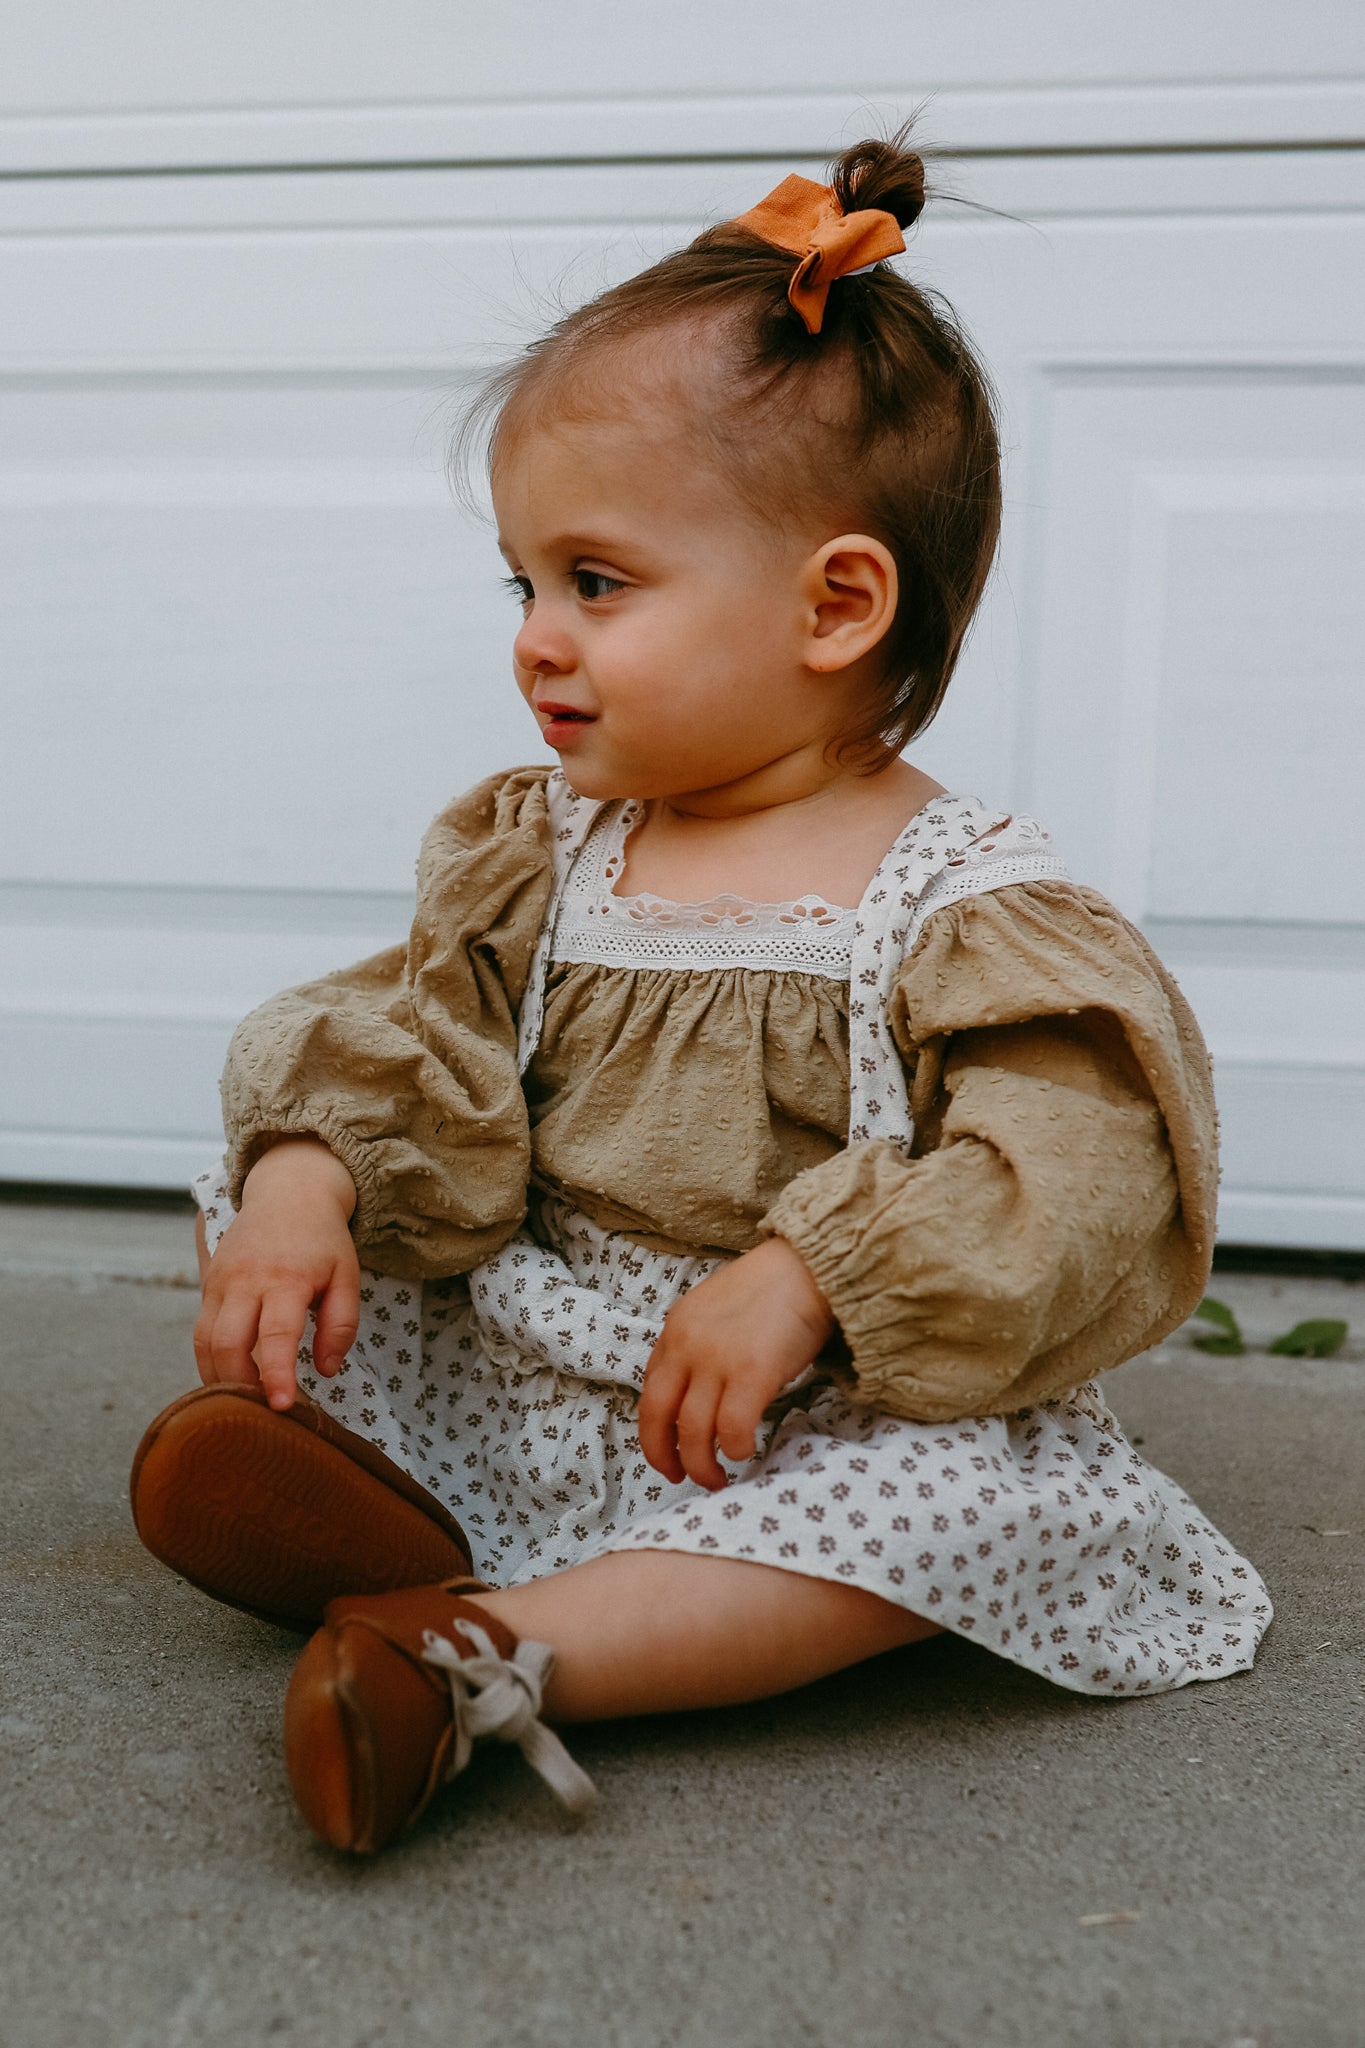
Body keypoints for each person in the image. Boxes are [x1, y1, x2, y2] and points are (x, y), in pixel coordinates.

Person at [130, 134, 1271, 1855]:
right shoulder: (549, 852)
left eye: (596, 582)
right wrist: (308, 1183)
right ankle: (406, 1527)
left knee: (937, 1514)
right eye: (522, 582)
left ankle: (482, 1656)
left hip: (793, 1419)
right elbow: (417, 1036)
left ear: (832, 604)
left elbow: (1075, 1177)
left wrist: (815, 1278)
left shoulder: (965, 912)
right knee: (296, 1261)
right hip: (542, 1350)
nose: (535, 635)